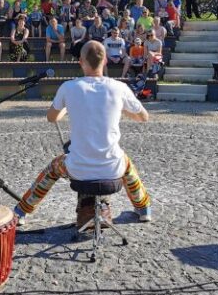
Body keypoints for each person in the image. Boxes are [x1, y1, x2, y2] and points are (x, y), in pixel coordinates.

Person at [13, 40, 151, 224]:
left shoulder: (69, 87)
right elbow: (143, 117)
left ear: (80, 62)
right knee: (126, 163)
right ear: (106, 61)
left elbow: (52, 117)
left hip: (77, 168)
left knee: (53, 168)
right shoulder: (119, 87)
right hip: (112, 168)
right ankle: (144, 209)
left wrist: (67, 108)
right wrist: (121, 109)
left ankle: (21, 212)